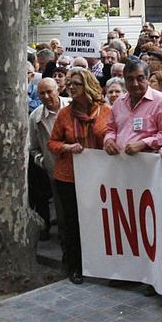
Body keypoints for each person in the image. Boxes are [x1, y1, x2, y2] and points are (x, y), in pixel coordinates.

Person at [47, 68, 111, 285]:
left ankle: (102, 264)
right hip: (69, 177)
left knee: (99, 222)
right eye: (69, 84)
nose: (71, 87)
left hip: (99, 179)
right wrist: (67, 146)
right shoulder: (64, 114)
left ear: (88, 86)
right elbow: (52, 143)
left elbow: (112, 136)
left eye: (76, 83)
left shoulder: (106, 112)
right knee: (73, 223)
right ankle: (76, 267)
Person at [104, 59, 162, 157]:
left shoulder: (161, 101)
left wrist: (144, 143)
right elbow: (110, 129)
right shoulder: (118, 103)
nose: (135, 84)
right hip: (119, 162)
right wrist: (109, 139)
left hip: (147, 162)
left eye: (140, 78)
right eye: (130, 79)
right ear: (125, 80)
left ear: (147, 79)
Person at [28, 78, 67, 242]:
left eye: (49, 91)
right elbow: (33, 147)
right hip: (56, 172)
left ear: (58, 90)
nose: (46, 96)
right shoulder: (35, 117)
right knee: (63, 212)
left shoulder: (72, 106)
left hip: (80, 169)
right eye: (41, 93)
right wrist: (44, 162)